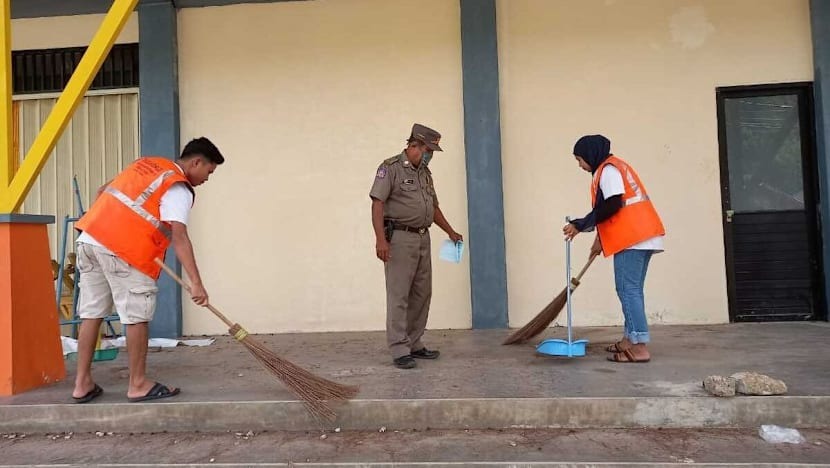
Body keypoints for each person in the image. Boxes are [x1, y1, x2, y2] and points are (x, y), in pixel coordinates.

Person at [71, 137, 224, 403]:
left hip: (90, 240)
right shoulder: (177, 186)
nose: (207, 179)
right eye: (209, 172)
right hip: (124, 251)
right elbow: (180, 237)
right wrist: (196, 283)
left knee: (91, 313)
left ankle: (82, 384)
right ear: (196, 162)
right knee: (136, 316)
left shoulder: (146, 165)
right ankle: (138, 384)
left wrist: (106, 228)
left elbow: (102, 190)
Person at [562, 134, 665, 363]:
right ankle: (630, 339)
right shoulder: (611, 168)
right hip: (642, 234)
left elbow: (612, 205)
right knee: (632, 290)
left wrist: (580, 224)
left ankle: (639, 347)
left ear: (590, 155)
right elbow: (612, 209)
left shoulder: (608, 170)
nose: (580, 165)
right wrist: (599, 237)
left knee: (627, 290)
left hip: (634, 237)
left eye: (580, 159)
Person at [369, 124, 463, 369]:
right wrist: (380, 240)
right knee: (399, 294)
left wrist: (450, 231)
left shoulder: (425, 173)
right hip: (400, 238)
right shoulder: (390, 168)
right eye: (428, 150)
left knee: (422, 293)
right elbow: (377, 204)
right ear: (414, 145)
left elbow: (433, 207)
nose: (430, 155)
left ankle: (414, 342)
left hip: (423, 238)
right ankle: (399, 348)